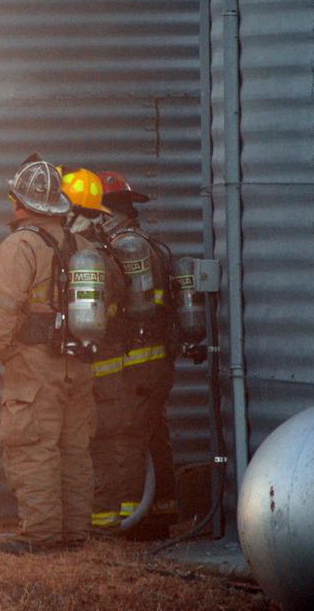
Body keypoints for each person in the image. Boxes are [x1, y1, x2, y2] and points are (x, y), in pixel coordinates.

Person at [0, 156, 99, 552]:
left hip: (33, 365)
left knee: (32, 446)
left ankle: (41, 536)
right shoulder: (83, 244)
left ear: (18, 202)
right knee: (74, 448)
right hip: (78, 362)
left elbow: (1, 310)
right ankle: (74, 534)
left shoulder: (19, 245)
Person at [99, 170, 178, 539]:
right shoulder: (143, 242)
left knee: (126, 434)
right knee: (151, 431)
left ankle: (131, 521)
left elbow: (129, 313)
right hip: (154, 360)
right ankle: (161, 510)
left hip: (137, 361)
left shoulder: (124, 247)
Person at [60, 169, 130, 534]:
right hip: (100, 357)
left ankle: (100, 522)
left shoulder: (84, 252)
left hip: (98, 360)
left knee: (98, 439)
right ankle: (95, 520)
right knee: (97, 439)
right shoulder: (98, 247)